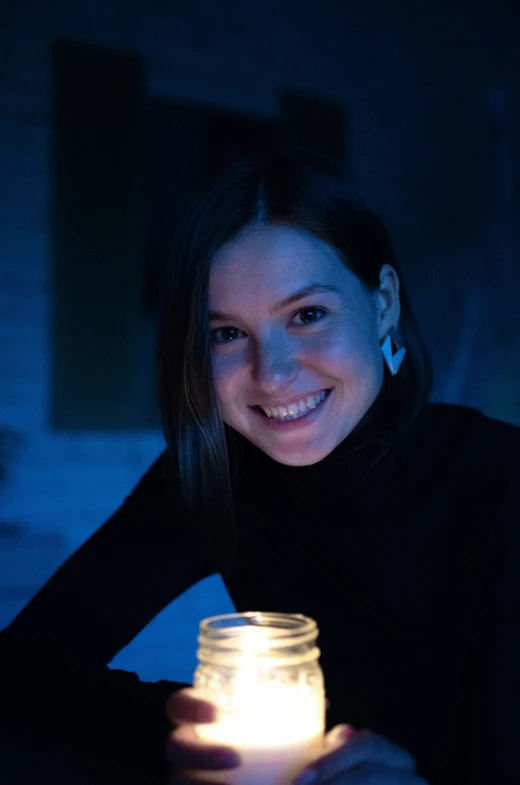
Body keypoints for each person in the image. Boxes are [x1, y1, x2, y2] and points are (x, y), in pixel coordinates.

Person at [0, 149, 518, 785]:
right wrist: (180, 733)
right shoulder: (219, 473)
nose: (270, 374)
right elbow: (27, 668)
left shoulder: (500, 483)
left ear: (382, 303)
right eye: (225, 334)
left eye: (307, 315)